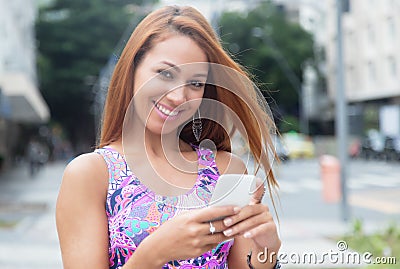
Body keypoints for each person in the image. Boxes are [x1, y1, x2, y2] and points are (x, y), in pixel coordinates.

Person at [56, 5, 281, 269]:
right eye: (165, 74)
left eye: (195, 83)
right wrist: (153, 254)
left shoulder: (225, 170)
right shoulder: (92, 174)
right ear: (132, 68)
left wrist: (267, 253)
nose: (178, 96)